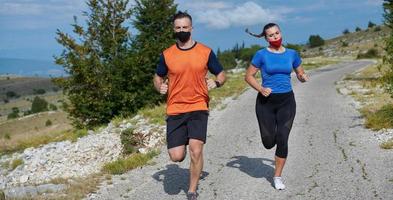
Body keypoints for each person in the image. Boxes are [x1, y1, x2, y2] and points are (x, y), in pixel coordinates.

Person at [153, 11, 226, 200]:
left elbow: (221, 74)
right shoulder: (167, 54)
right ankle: (185, 145)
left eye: (185, 27)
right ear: (173, 29)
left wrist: (216, 83)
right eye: (178, 28)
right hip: (175, 108)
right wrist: (159, 87)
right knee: (176, 157)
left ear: (192, 28)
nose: (182, 30)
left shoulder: (205, 52)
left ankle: (192, 190)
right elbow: (158, 76)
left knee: (196, 150)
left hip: (198, 106)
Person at [244, 23, 308, 190]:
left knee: (283, 138)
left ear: (281, 33)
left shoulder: (293, 54)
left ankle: (277, 176)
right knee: (268, 141)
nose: (275, 37)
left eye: (277, 33)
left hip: (287, 100)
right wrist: (260, 88)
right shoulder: (261, 55)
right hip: (266, 101)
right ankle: (269, 142)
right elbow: (249, 76)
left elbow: (299, 72)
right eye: (271, 35)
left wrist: (301, 76)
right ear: (266, 38)